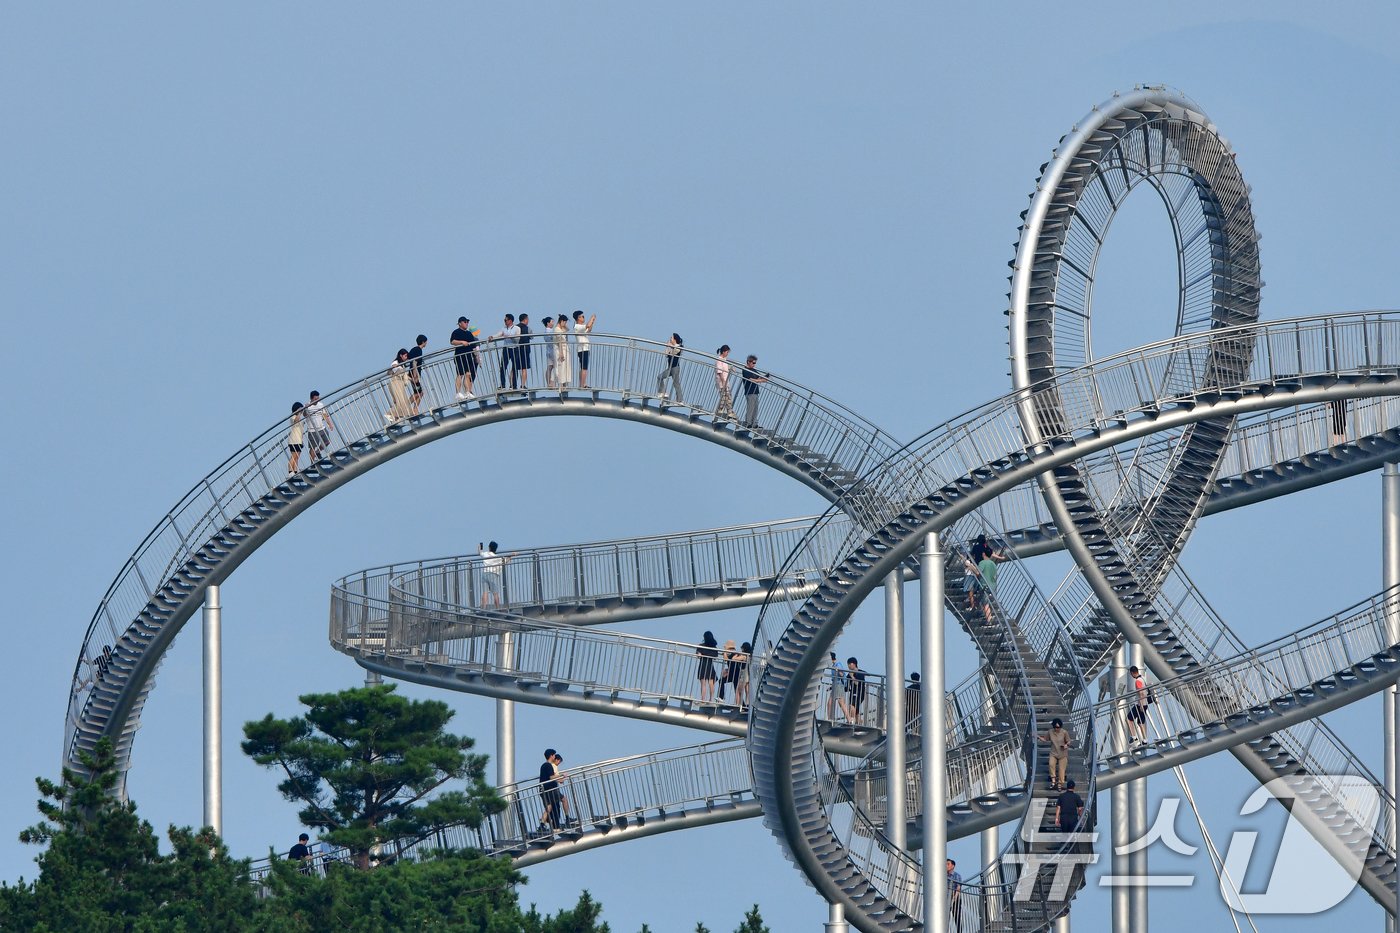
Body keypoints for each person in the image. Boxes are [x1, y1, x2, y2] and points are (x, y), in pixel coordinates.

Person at [1038, 717, 1073, 790]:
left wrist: (1066, 745)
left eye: (1059, 727)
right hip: (1053, 752)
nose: (1057, 729)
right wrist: (1038, 737)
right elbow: (1045, 739)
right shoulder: (1050, 732)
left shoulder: (1064, 732)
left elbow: (1069, 741)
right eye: (1056, 727)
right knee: (1051, 764)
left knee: (1061, 769)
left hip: (1063, 753)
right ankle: (1053, 781)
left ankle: (1060, 784)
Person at [451, 316, 480, 399]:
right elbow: (452, 341)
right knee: (460, 374)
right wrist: (461, 342)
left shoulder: (469, 333)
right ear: (460, 323)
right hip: (460, 356)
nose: (466, 323)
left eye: (467, 322)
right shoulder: (456, 332)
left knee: (468, 374)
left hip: (469, 356)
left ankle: (467, 391)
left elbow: (473, 346)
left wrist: (476, 357)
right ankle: (458, 393)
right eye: (465, 322)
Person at [491, 314, 522, 390]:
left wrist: (510, 337)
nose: (504, 321)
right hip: (506, 348)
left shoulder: (517, 328)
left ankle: (514, 386)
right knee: (503, 367)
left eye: (506, 320)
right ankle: (502, 385)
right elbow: (499, 334)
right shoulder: (504, 328)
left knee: (514, 367)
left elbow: (517, 339)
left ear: (510, 320)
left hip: (514, 348)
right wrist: (492, 337)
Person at [538, 748, 564, 832]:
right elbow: (551, 777)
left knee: (549, 807)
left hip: (545, 790)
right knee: (550, 807)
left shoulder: (544, 765)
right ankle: (546, 825)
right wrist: (561, 776)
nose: (554, 756)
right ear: (551, 756)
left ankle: (542, 825)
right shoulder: (548, 765)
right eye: (553, 755)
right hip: (547, 790)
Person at [739, 354, 768, 428]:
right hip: (750, 392)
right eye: (753, 363)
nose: (754, 364)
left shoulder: (754, 370)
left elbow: (759, 377)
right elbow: (751, 379)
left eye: (755, 363)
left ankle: (754, 424)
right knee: (750, 408)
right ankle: (748, 423)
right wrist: (760, 380)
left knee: (755, 408)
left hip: (755, 392)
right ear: (749, 362)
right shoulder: (745, 370)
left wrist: (765, 377)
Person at [304, 391, 334, 462]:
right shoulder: (308, 406)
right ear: (311, 398)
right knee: (312, 447)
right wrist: (305, 408)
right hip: (312, 430)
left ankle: (318, 451)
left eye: (318, 399)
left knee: (327, 442)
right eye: (315, 399)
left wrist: (330, 424)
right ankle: (312, 462)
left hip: (322, 428)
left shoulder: (320, 405)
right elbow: (304, 415)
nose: (317, 400)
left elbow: (325, 415)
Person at [385, 348, 413, 423]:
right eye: (405, 356)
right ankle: (389, 414)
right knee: (400, 401)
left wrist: (412, 379)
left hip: (399, 384)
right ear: (401, 355)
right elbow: (393, 366)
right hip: (395, 383)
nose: (406, 358)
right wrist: (396, 365)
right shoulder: (396, 362)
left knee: (401, 401)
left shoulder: (402, 366)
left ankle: (396, 418)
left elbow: (405, 375)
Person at [479, 541, 510, 607]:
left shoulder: (485, 554)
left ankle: (483, 608)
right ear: (495, 549)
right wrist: (511, 556)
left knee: (485, 592)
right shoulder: (496, 557)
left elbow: (480, 552)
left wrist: (480, 547)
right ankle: (498, 608)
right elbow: (504, 561)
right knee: (495, 593)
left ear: (489, 547)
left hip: (485, 573)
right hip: (493, 575)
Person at [1126, 664, 1150, 746]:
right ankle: (1145, 740)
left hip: (1140, 704)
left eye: (1131, 674)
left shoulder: (1138, 681)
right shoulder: (1143, 678)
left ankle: (1134, 737)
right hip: (1145, 703)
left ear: (1132, 673)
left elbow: (1141, 693)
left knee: (1129, 718)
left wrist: (1141, 705)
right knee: (1141, 722)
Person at [657, 333, 684, 402]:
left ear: (675, 339)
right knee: (660, 377)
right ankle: (662, 392)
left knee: (676, 384)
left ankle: (680, 400)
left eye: (671, 338)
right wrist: (667, 346)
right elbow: (666, 354)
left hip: (675, 368)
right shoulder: (671, 346)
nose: (670, 339)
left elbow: (676, 351)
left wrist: (671, 345)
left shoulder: (679, 346)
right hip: (669, 368)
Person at [572, 310, 596, 387]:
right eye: (582, 316)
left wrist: (592, 321)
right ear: (578, 318)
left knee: (583, 367)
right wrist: (591, 318)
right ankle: (583, 384)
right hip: (583, 349)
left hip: (584, 348)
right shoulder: (577, 326)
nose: (583, 318)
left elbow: (588, 330)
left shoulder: (581, 327)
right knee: (584, 368)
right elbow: (587, 326)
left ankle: (582, 383)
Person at [406, 334, 427, 413]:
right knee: (418, 393)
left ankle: (414, 409)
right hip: (413, 374)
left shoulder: (414, 349)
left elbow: (409, 357)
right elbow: (414, 362)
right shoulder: (418, 350)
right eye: (426, 341)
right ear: (423, 342)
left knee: (419, 393)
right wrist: (415, 375)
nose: (426, 343)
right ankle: (406, 407)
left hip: (411, 373)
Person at [842, 657, 867, 725]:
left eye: (849, 664)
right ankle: (859, 722)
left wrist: (852, 677)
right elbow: (846, 686)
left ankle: (852, 721)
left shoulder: (859, 673)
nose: (848, 666)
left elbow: (857, 683)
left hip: (859, 692)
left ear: (854, 664)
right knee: (856, 710)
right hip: (853, 692)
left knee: (852, 706)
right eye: (848, 664)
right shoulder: (849, 674)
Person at [696, 631, 719, 703]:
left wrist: (701, 654)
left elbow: (698, 655)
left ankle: (703, 699)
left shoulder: (701, 646)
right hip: (710, 665)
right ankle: (711, 699)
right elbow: (715, 656)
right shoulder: (714, 647)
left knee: (703, 684)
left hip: (703, 665)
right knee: (711, 683)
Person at [713, 345, 735, 420]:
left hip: (725, 382)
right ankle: (727, 412)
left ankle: (727, 411)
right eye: (727, 352)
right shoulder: (719, 360)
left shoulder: (724, 359)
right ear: (723, 351)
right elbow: (720, 372)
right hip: (722, 382)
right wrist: (724, 382)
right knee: (725, 397)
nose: (727, 353)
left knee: (726, 397)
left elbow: (726, 367)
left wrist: (731, 368)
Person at [826, 652, 846, 720]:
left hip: (839, 685)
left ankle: (849, 719)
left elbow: (841, 674)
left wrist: (837, 670)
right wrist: (831, 687)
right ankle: (829, 718)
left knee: (841, 703)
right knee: (829, 703)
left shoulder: (837, 664)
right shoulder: (834, 665)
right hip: (835, 685)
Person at [287, 402, 305, 475]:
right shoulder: (293, 417)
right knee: (294, 456)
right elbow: (296, 421)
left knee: (297, 456)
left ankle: (295, 471)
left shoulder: (300, 417)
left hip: (299, 440)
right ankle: (290, 471)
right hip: (294, 440)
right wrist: (299, 412)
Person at [516, 313, 533, 389]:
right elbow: (531, 336)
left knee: (514, 368)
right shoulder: (527, 328)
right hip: (525, 349)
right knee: (524, 368)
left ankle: (511, 385)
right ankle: (523, 385)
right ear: (525, 319)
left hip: (516, 349)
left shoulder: (515, 327)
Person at [733, 641, 752, 708]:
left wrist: (737, 654)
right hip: (748, 673)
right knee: (747, 691)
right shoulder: (749, 656)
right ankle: (747, 705)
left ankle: (738, 704)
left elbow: (734, 659)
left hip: (744, 673)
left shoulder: (744, 656)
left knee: (738, 690)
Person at [947, 858, 963, 931]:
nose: (946, 866)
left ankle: (959, 931)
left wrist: (953, 899)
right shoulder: (943, 875)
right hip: (945, 898)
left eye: (948, 864)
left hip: (954, 898)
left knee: (957, 917)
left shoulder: (957, 875)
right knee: (945, 917)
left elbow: (958, 888)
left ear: (953, 866)